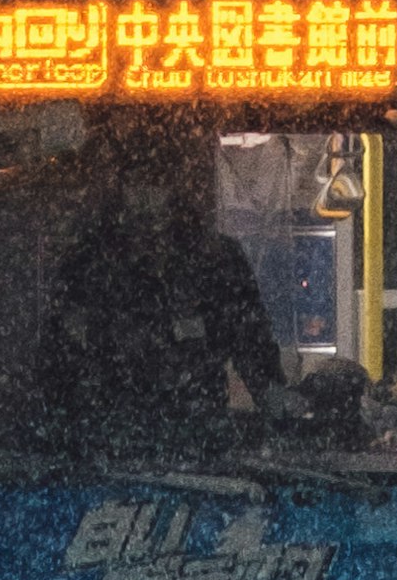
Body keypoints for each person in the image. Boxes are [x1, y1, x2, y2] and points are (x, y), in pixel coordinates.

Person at [38, 138, 286, 455]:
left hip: (201, 445)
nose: (146, 197)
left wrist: (276, 403)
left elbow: (252, 343)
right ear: (119, 190)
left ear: (174, 190)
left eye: (156, 183)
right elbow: (58, 360)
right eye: (135, 184)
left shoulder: (216, 262)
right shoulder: (87, 264)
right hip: (105, 445)